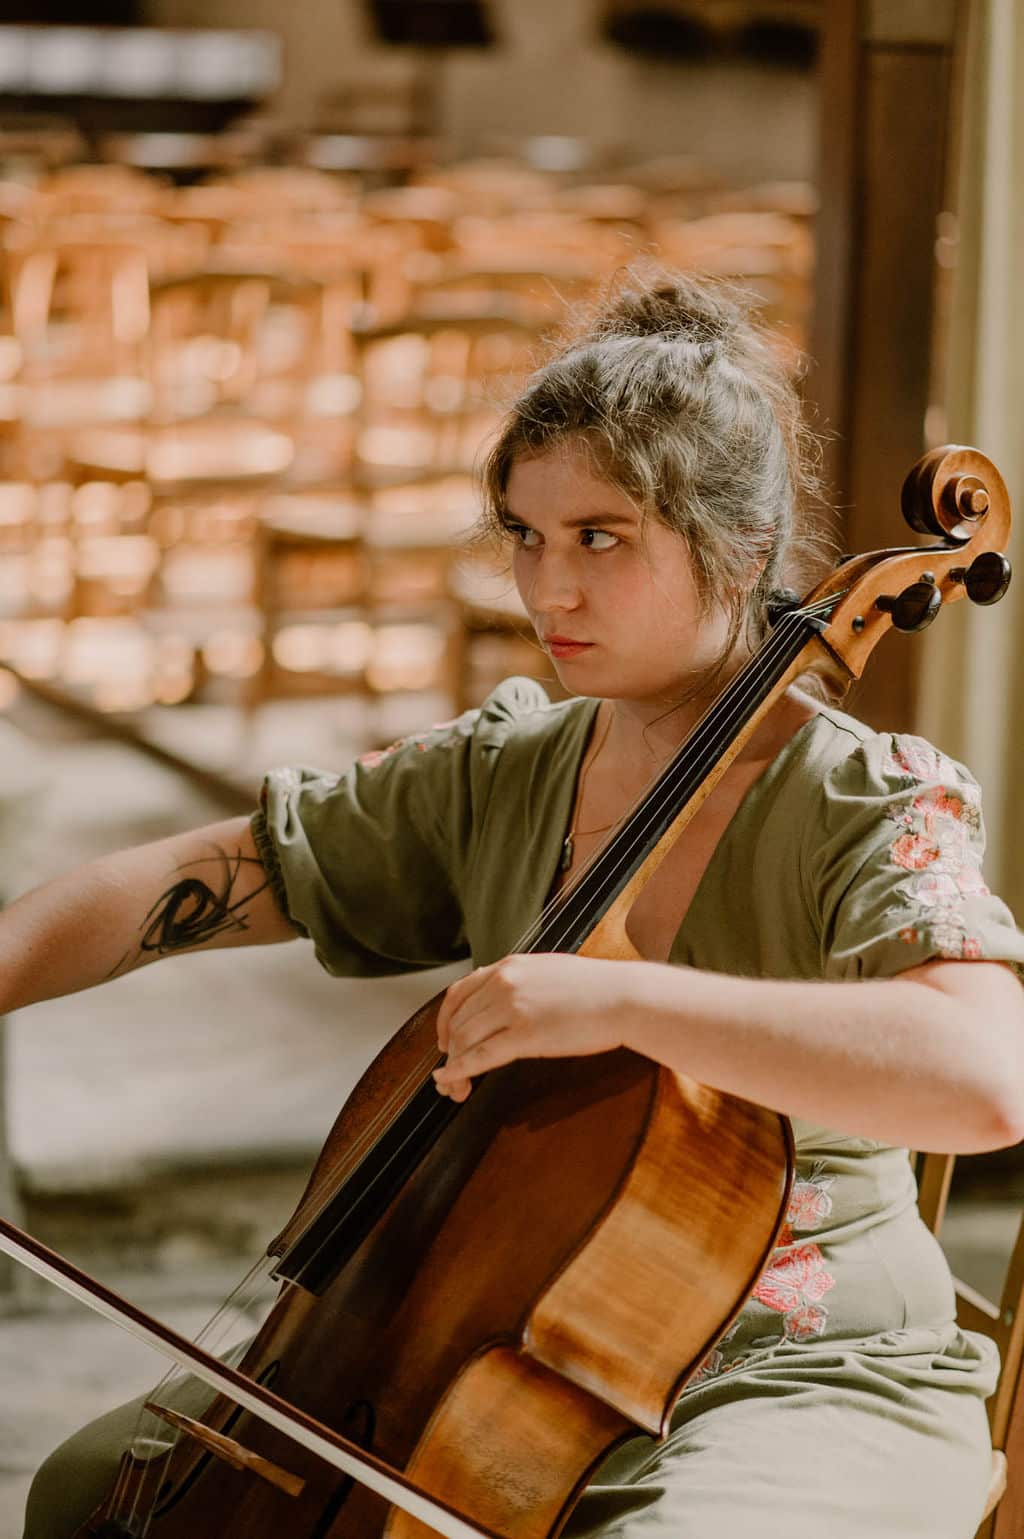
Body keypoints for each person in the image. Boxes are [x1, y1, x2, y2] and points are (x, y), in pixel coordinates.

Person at [8, 269, 1024, 1539]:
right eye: (525, 536)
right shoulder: (506, 770)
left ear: (741, 547)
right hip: (495, 1350)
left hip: (796, 1377)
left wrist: (623, 999)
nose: (547, 591)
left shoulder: (868, 799)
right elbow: (180, 884)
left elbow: (984, 1079)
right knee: (95, 1496)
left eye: (601, 538)